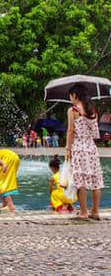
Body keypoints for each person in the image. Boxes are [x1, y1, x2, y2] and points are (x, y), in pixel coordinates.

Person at [65, 83, 104, 221]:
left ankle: (83, 212)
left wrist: (68, 149)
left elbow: (71, 131)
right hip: (92, 148)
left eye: (70, 96)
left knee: (80, 180)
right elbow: (95, 133)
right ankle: (95, 211)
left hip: (79, 147)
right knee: (95, 180)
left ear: (75, 95)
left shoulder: (73, 110)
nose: (70, 99)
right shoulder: (93, 111)